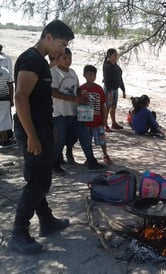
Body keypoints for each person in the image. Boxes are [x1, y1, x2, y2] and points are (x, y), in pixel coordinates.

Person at [10, 20, 74, 255]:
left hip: (43, 129)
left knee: (42, 178)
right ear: (48, 37)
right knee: (37, 182)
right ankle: (18, 232)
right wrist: (32, 136)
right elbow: (20, 98)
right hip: (32, 132)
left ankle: (46, 221)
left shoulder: (42, 63)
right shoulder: (31, 61)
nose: (62, 50)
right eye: (60, 44)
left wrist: (49, 127)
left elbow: (41, 100)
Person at [51, 47, 105, 176]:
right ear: (58, 58)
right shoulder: (54, 72)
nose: (67, 61)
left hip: (75, 113)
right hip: (60, 114)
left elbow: (77, 90)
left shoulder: (73, 73)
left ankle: (91, 161)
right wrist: (74, 98)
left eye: (69, 58)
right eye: (64, 58)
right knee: (60, 140)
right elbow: (53, 92)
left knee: (84, 136)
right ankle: (54, 163)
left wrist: (82, 96)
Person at [80, 65, 113, 165]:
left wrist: (104, 119)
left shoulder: (99, 89)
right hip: (86, 121)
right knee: (87, 141)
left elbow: (103, 104)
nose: (92, 77)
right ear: (84, 75)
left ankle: (105, 155)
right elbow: (78, 103)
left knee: (102, 139)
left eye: (94, 75)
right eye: (90, 75)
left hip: (98, 120)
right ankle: (89, 157)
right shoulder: (81, 89)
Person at [102, 48, 125, 132]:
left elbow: (120, 78)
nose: (116, 57)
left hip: (116, 89)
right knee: (107, 107)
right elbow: (107, 79)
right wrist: (109, 91)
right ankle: (104, 124)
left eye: (116, 55)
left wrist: (123, 90)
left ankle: (113, 122)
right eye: (114, 55)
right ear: (109, 56)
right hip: (109, 89)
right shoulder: (107, 66)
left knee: (113, 106)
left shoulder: (116, 66)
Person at [0, 44, 16, 147]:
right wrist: (11, 98)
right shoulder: (6, 60)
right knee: (5, 119)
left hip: (4, 97)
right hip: (5, 96)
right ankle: (5, 139)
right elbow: (10, 84)